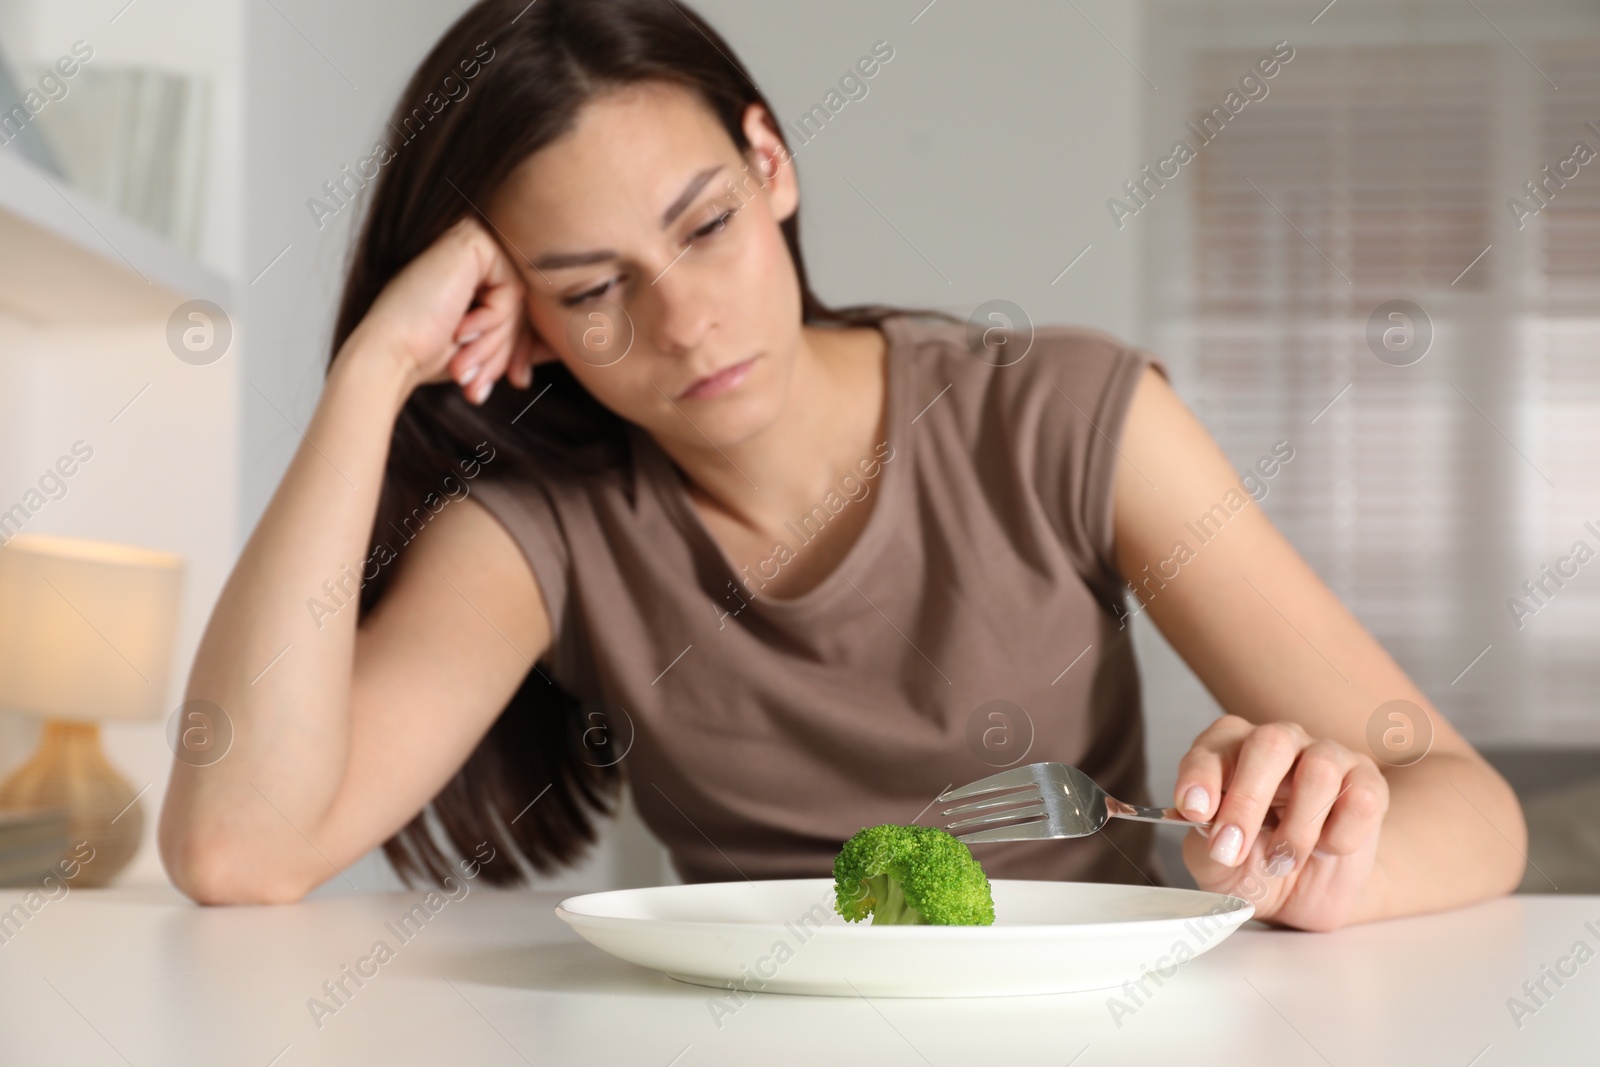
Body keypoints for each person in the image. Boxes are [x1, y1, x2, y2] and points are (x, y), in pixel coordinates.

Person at [159, 0, 1525, 932]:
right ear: (514, 320)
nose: (686, 322)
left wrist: (1330, 869)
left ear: (770, 163)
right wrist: (372, 374)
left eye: (704, 227)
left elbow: (1469, 810)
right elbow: (238, 850)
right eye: (592, 291)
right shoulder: (549, 535)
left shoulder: (1059, 415)